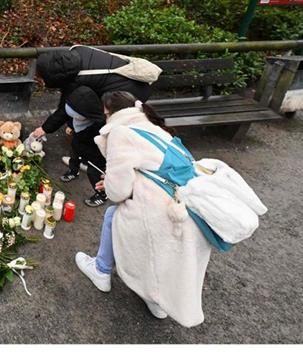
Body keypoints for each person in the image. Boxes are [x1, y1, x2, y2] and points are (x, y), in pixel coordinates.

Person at [75, 91, 212, 327]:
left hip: (168, 213)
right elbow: (152, 170)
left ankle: (101, 270)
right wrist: (111, 180)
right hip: (194, 211)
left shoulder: (120, 132)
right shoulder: (153, 126)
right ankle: (159, 301)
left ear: (108, 112)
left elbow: (118, 192)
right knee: (164, 251)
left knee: (113, 215)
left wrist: (110, 183)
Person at [31, 46, 152, 207]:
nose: (42, 82)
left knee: (94, 148)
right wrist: (70, 124)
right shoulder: (75, 53)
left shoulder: (80, 85)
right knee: (78, 140)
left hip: (128, 94)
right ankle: (75, 167)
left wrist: (46, 128)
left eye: (44, 79)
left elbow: (67, 107)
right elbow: (70, 104)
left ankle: (102, 190)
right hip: (124, 84)